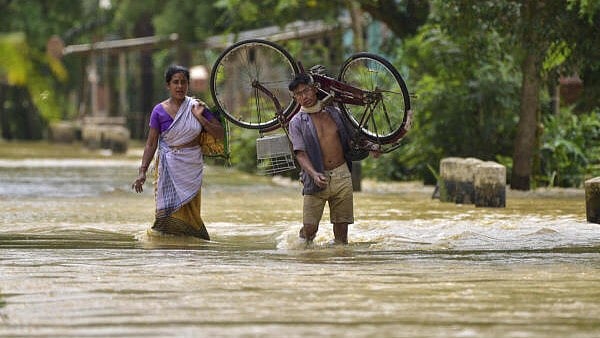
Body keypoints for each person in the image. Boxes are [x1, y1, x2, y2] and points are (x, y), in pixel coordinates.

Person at [131, 65, 224, 240]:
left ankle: (191, 242)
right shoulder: (158, 111)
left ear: (188, 85)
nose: (180, 86)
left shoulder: (197, 107)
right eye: (176, 82)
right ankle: (165, 246)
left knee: (191, 212)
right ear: (168, 85)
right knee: (166, 213)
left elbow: (219, 134)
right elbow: (151, 143)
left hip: (191, 166)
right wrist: (142, 171)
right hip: (167, 166)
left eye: (183, 82)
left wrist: (200, 118)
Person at [288, 73, 379, 245]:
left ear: (315, 88)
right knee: (309, 229)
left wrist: (372, 146)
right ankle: (298, 248)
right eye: (298, 94)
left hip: (342, 175)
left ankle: (338, 264)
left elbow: (355, 136)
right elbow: (300, 153)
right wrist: (314, 174)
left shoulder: (334, 113)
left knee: (342, 233)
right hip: (315, 179)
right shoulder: (297, 122)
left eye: (306, 90)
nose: (304, 96)